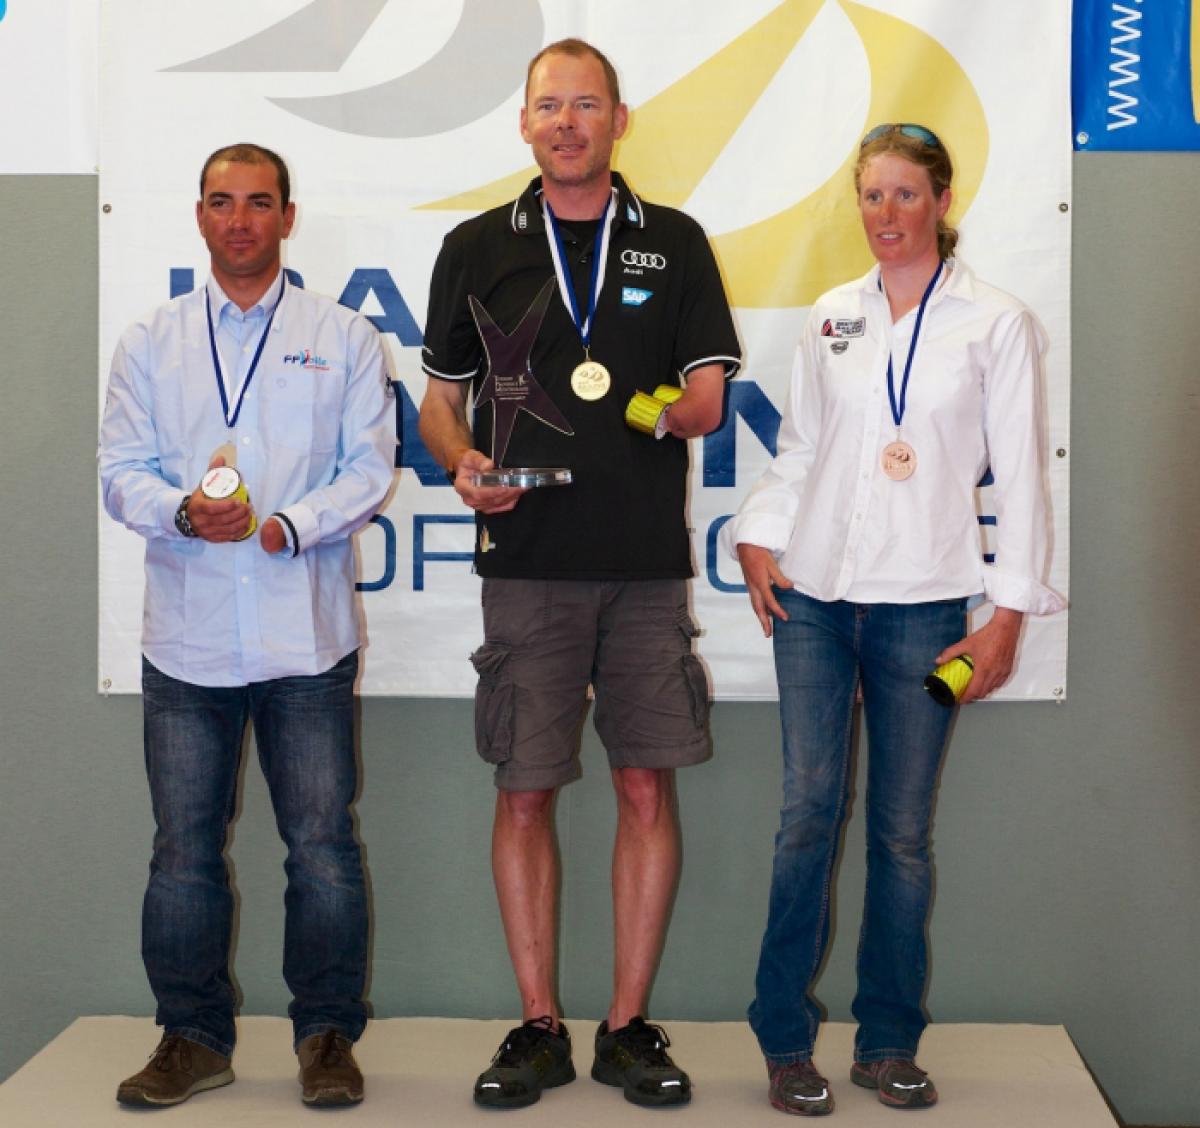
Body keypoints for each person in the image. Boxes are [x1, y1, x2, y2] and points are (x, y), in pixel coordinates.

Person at [419, 38, 740, 1110]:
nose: (566, 121)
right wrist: (459, 461)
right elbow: (438, 403)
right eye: (548, 105)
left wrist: (678, 409)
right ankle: (537, 1026)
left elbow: (706, 399)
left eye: (586, 104)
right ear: (523, 123)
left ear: (619, 119)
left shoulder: (676, 243)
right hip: (527, 564)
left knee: (646, 785)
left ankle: (628, 1026)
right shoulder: (474, 246)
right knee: (524, 793)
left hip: (646, 569)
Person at [724, 123, 1065, 1116]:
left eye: (904, 195)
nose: (885, 215)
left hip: (926, 616)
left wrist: (1006, 617)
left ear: (942, 203)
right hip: (815, 607)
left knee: (903, 833)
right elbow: (799, 451)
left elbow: (1026, 481)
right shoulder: (833, 316)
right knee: (804, 817)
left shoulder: (997, 324)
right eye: (871, 197)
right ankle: (785, 1041)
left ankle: (885, 1042)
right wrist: (759, 534)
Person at [98, 143, 395, 1109]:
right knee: (182, 848)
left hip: (303, 636)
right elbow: (119, 470)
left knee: (321, 847)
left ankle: (325, 1039)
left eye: (258, 203)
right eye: (222, 203)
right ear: (198, 217)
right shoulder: (150, 340)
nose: (239, 220)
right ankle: (192, 1037)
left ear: (287, 217)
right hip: (185, 642)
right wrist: (184, 511)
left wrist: (291, 525)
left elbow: (367, 467)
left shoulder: (342, 334)